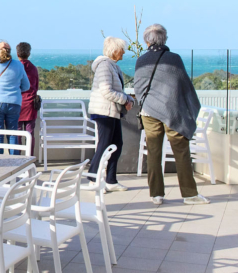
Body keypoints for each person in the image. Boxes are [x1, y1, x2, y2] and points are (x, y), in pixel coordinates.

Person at [132, 24, 209, 205]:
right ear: (164, 39)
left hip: (149, 112)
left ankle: (156, 195)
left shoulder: (141, 60)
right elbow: (184, 85)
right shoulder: (174, 59)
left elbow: (138, 87)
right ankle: (189, 195)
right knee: (181, 152)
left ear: (146, 41)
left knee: (153, 152)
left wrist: (148, 102)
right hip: (173, 112)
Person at [89, 37, 133, 191]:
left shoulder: (112, 66)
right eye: (122, 49)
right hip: (104, 111)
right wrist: (125, 99)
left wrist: (127, 99)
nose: (124, 52)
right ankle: (93, 178)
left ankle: (111, 181)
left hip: (112, 111)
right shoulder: (104, 66)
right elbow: (106, 91)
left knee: (116, 145)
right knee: (105, 145)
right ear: (114, 50)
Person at [16, 42, 40, 140]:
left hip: (17, 103)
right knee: (29, 134)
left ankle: (16, 151)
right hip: (30, 104)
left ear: (17, 54)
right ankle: (29, 150)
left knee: (16, 133)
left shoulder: (15, 67)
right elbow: (36, 86)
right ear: (29, 53)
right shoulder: (33, 68)